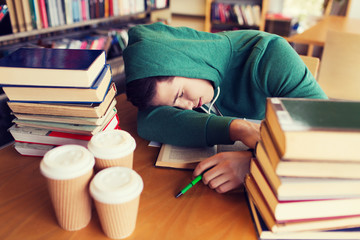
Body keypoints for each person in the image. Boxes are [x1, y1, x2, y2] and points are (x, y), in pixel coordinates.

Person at [123, 22, 327, 194]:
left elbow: (327, 131)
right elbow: (148, 121)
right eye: (174, 105)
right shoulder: (188, 81)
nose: (184, 107)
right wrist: (236, 128)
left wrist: (254, 163)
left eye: (181, 94)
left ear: (186, 60)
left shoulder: (270, 54)